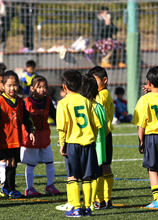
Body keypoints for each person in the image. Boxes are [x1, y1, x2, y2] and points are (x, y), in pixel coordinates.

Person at [56, 69, 101, 217]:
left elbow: (62, 127)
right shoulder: (87, 102)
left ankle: (76, 207)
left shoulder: (63, 103)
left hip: (72, 144)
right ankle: (87, 207)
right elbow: (97, 124)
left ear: (64, 87)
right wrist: (91, 137)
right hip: (88, 144)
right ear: (81, 86)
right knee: (87, 177)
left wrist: (62, 143)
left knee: (73, 176)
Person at [132, 65, 158, 209]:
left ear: (149, 82)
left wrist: (141, 140)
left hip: (153, 137)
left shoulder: (145, 100)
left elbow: (141, 125)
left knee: (152, 169)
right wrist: (153, 89)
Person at [0, 71, 35, 199]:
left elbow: (26, 117)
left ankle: (6, 188)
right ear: (3, 86)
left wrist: (31, 130)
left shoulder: (20, 101)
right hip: (5, 139)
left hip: (16, 138)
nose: (12, 88)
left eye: (15, 85)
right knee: (11, 162)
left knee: (13, 163)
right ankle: (11, 189)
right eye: (9, 85)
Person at [20, 75, 61, 196]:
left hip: (44, 138)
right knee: (31, 163)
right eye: (39, 87)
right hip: (31, 138)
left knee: (50, 161)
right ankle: (29, 188)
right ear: (32, 88)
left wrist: (61, 133)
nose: (42, 90)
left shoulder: (48, 101)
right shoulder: (26, 103)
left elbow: (55, 117)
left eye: (44, 87)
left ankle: (50, 185)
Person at [88, 66, 115, 210]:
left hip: (100, 136)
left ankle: (100, 199)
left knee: (98, 167)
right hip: (106, 133)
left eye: (95, 81)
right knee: (105, 165)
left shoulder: (101, 95)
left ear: (105, 80)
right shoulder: (106, 93)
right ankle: (107, 199)